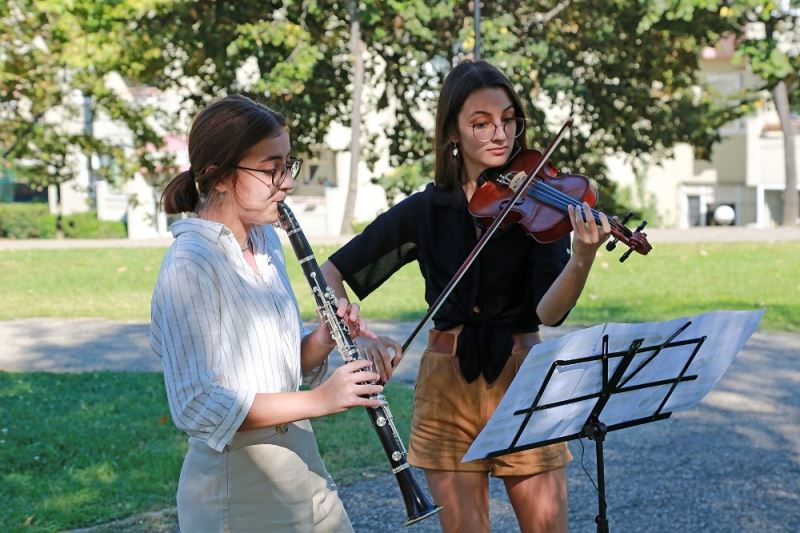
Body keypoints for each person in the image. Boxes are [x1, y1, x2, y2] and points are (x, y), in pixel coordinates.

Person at [321, 60, 612, 533]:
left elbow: (549, 313)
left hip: (523, 375)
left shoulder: (541, 205)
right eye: (481, 123)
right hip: (445, 384)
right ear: (453, 133)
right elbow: (332, 272)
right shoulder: (426, 210)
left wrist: (581, 258)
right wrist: (359, 338)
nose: (501, 133)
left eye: (509, 119)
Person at [149, 94, 382, 532]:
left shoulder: (266, 242)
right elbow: (198, 404)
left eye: (287, 164)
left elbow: (272, 369)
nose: (287, 182)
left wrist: (322, 340)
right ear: (219, 176)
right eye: (271, 167)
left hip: (300, 458)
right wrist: (319, 400)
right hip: (237, 483)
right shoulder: (190, 264)